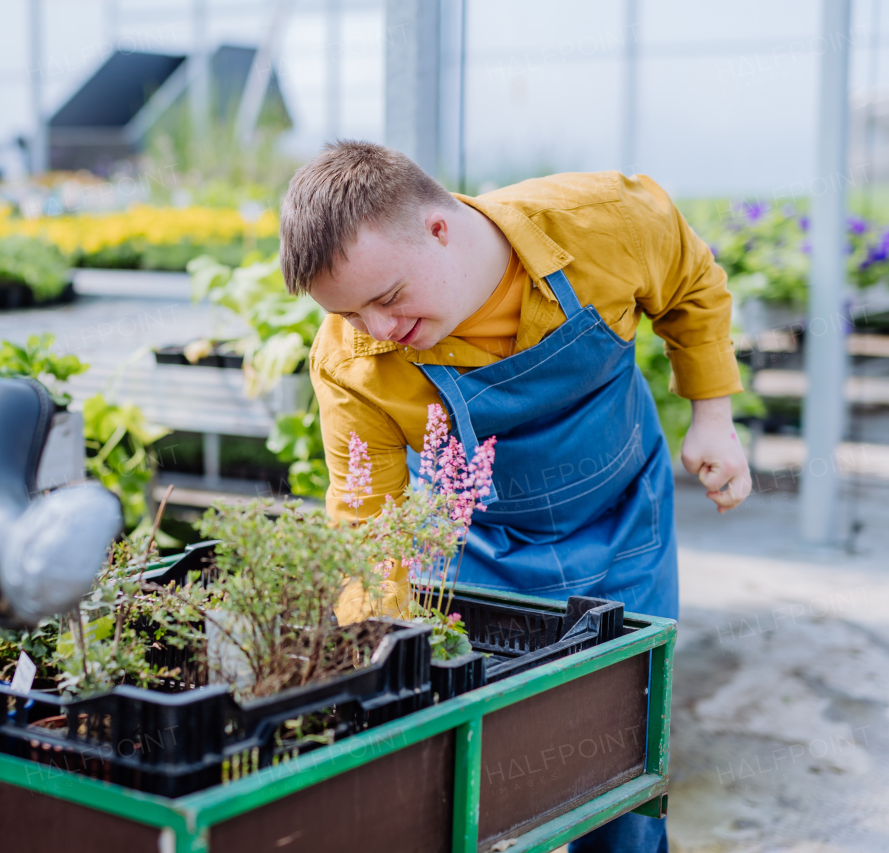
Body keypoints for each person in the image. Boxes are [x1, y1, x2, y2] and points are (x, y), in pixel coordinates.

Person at [280, 141, 750, 853]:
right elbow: (366, 522)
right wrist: (375, 652)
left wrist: (712, 414)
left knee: (619, 750)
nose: (376, 331)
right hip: (477, 547)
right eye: (350, 315)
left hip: (625, 522)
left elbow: (692, 279)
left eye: (386, 298)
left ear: (439, 229)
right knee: (480, 773)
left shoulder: (599, 223)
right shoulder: (354, 364)